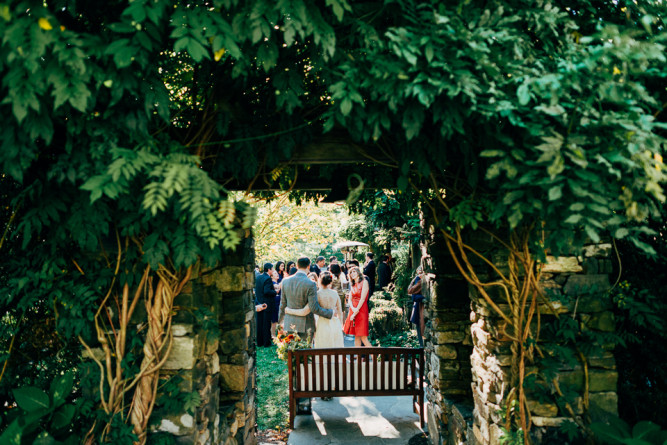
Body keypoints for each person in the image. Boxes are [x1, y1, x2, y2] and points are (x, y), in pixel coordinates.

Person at [278, 257, 334, 338]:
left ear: (297, 266)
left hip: (289, 323)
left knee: (290, 349)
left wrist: (280, 323)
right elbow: (314, 307)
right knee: (306, 350)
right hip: (306, 325)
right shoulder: (311, 283)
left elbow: (282, 304)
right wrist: (330, 313)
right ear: (308, 266)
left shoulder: (285, 281)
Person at [284, 272, 344, 348]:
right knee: (334, 346)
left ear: (319, 280)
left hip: (322, 323)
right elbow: (340, 311)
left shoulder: (317, 294)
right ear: (330, 282)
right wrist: (340, 324)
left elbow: (305, 311)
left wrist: (288, 310)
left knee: (323, 346)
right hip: (335, 323)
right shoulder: (335, 293)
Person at [343, 266, 372, 347]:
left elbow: (363, 299)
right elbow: (350, 299)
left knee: (364, 338)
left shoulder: (364, 282)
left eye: (354, 272)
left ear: (358, 272)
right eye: (351, 273)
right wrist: (353, 309)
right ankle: (358, 358)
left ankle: (375, 358)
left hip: (361, 310)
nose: (352, 274)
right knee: (356, 337)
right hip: (354, 309)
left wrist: (356, 311)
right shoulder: (353, 284)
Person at [255, 263, 277, 347]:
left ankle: (259, 342)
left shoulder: (259, 277)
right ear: (269, 269)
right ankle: (266, 342)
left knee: (260, 323)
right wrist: (275, 292)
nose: (273, 270)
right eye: (272, 269)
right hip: (266, 304)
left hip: (259, 302)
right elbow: (267, 291)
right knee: (266, 324)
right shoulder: (267, 278)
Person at [408, 267, 426, 347]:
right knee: (421, 334)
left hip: (420, 310)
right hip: (419, 309)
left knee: (421, 334)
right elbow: (411, 293)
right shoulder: (419, 279)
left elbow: (410, 291)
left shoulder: (420, 280)